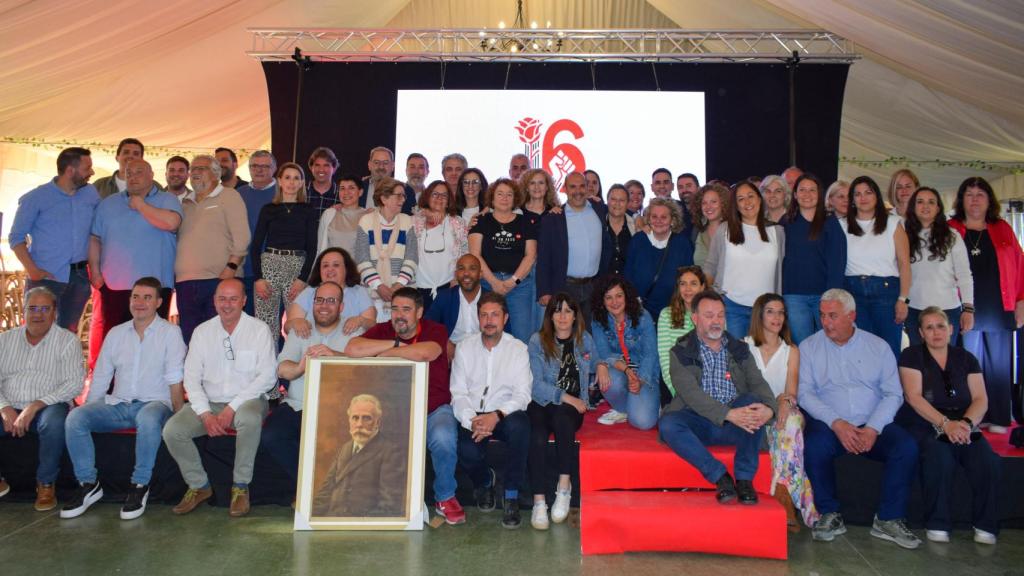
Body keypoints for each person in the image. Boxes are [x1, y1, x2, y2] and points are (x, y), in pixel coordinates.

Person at [799, 289, 921, 549]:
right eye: (822, 315)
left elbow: (893, 394)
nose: (826, 322)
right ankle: (829, 513)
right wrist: (837, 423)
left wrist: (874, 428)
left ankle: (888, 519)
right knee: (814, 445)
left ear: (851, 316)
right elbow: (805, 394)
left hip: (872, 423)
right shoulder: (809, 347)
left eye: (833, 316)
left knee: (906, 446)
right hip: (832, 424)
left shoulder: (878, 347)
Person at [60, 277, 186, 520]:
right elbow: (101, 376)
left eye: (147, 297)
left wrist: (178, 415)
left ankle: (140, 485)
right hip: (118, 404)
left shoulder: (170, 333)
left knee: (148, 418)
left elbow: (175, 378)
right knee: (76, 418)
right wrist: (89, 408)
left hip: (155, 404)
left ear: (159, 302)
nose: (140, 302)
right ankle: (88, 484)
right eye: (135, 297)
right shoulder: (116, 334)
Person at [345, 287, 464, 524]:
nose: (399, 315)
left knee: (443, 437)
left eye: (406, 310)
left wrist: (385, 353)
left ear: (419, 312)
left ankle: (445, 496)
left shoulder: (435, 329)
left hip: (433, 408)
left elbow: (428, 352)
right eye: (395, 309)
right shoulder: (383, 330)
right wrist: (397, 344)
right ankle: (386, 499)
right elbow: (352, 349)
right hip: (395, 409)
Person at [162, 279, 276, 517]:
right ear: (214, 301)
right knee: (173, 430)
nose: (227, 304)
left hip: (248, 401)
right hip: (210, 403)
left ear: (244, 301)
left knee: (249, 419)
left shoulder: (259, 330)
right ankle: (199, 485)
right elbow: (191, 378)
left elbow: (267, 377)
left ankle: (240, 486)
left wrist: (231, 408)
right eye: (222, 299)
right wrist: (205, 414)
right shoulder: (202, 332)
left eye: (233, 299)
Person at [658, 290, 776, 505]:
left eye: (720, 315)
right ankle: (720, 477)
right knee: (668, 424)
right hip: (700, 421)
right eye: (709, 315)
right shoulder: (680, 352)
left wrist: (770, 408)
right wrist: (727, 414)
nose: (716, 321)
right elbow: (691, 394)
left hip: (738, 424)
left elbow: (757, 381)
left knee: (753, 402)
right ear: (695, 318)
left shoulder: (739, 348)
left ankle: (744, 479)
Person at [896, 306, 1000, 544]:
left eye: (941, 326)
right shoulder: (911, 356)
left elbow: (980, 399)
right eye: (929, 327)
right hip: (925, 420)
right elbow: (913, 397)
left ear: (951, 329)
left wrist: (965, 424)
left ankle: (985, 524)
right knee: (939, 456)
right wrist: (945, 424)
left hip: (964, 422)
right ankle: (937, 523)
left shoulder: (967, 358)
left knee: (987, 461)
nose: (936, 332)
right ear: (921, 333)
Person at [263, 281, 355, 500]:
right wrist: (300, 367)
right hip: (299, 404)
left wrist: (335, 355)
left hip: (338, 408)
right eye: (319, 300)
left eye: (331, 301)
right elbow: (282, 369)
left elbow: (365, 366)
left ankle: (323, 490)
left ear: (341, 306)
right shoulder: (300, 330)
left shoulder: (353, 330)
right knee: (271, 435)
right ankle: (311, 487)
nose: (324, 306)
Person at [450, 292, 532, 529]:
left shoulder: (518, 349)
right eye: (484, 315)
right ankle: (485, 482)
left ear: (505, 318)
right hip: (473, 413)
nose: (489, 320)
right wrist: (472, 421)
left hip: (504, 413)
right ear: (478, 319)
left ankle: (511, 496)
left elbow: (523, 395)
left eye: (495, 315)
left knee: (521, 426)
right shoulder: (464, 348)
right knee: (465, 449)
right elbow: (458, 393)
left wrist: (496, 416)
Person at [949, 176, 1024, 434]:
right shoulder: (950, 228)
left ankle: (999, 417)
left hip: (999, 305)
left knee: (999, 365)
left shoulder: (1002, 228)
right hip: (965, 307)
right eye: (969, 195)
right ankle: (973, 417)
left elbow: (1019, 264)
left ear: (989, 200)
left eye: (980, 195)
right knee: (970, 363)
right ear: (961, 200)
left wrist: (1021, 301)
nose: (974, 200)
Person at [0, 287, 84, 511]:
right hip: (9, 403)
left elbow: (74, 384)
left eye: (45, 309)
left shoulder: (67, 341)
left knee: (54, 422)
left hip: (48, 405)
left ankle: (46, 483)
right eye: (33, 308)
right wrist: (4, 407)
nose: (38, 314)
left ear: (55, 312)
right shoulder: (5, 340)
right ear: (24, 311)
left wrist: (36, 405)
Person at [88, 159, 181, 349]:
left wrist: (140, 205)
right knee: (115, 342)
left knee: (152, 342)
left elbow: (171, 223)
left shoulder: (167, 199)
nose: (132, 176)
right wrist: (95, 273)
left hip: (156, 286)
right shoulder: (108, 204)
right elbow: (94, 239)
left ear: (152, 175)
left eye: (139, 172)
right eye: (128, 173)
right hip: (114, 286)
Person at [744, 294, 818, 530]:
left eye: (781, 312)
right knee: (785, 431)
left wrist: (781, 405)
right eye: (770, 312)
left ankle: (783, 493)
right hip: (753, 410)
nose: (777, 317)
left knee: (791, 421)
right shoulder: (744, 346)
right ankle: (788, 499)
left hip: (782, 411)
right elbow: (741, 390)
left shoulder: (791, 350)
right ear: (759, 315)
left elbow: (790, 392)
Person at [9, 146, 99, 332]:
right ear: (70, 170)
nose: (92, 172)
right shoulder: (36, 197)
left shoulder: (90, 194)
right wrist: (33, 271)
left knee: (68, 333)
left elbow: (98, 230)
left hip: (79, 277)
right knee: (38, 331)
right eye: (87, 168)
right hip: (46, 277)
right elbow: (16, 238)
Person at [526, 293, 596, 530]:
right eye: (557, 310)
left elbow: (599, 359)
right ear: (550, 315)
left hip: (569, 410)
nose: (563, 316)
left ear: (575, 315)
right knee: (537, 436)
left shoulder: (584, 339)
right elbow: (536, 385)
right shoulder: (537, 341)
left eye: (568, 310)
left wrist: (603, 365)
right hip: (542, 402)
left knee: (563, 418)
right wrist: (567, 398)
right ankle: (539, 502)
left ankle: (564, 487)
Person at [174, 155, 250, 344]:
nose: (195, 173)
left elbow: (242, 236)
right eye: (193, 169)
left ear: (216, 174)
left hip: (219, 279)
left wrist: (231, 268)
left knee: (219, 338)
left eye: (201, 168)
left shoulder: (229, 196)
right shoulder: (184, 203)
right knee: (191, 339)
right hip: (185, 283)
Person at [839, 176, 911, 358]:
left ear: (877, 196)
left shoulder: (893, 223)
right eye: (857, 194)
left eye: (868, 192)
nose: (863, 198)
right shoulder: (841, 225)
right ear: (852, 200)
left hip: (886, 293)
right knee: (859, 351)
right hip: (853, 293)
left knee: (889, 350)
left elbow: (904, 264)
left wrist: (903, 299)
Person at [704, 180, 785, 338]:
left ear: (759, 199)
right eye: (740, 199)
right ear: (736, 205)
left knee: (764, 353)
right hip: (732, 307)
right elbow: (711, 265)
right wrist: (708, 297)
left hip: (766, 310)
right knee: (736, 353)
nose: (747, 202)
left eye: (750, 196)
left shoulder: (778, 232)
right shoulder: (724, 229)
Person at [250, 162, 317, 348]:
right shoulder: (269, 209)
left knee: (299, 322)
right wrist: (258, 278)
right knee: (266, 323)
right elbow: (255, 246)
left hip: (297, 267)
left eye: (296, 178)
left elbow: (312, 248)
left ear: (302, 182)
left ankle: (297, 363)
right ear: (279, 181)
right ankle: (267, 364)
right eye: (287, 178)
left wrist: (302, 278)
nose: (291, 182)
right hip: (269, 265)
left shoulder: (308, 210)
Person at [312, 393, 406, 517]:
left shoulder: (391, 452)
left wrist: (356, 524)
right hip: (332, 518)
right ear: (349, 420)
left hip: (361, 522)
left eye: (366, 418)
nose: (359, 424)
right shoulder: (345, 448)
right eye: (355, 418)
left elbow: (389, 507)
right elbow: (325, 492)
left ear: (377, 422)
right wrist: (310, 517)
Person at [780, 173, 847, 344]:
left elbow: (838, 261)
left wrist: (832, 295)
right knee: (804, 345)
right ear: (795, 195)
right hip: (793, 295)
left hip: (823, 295)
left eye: (812, 190)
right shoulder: (786, 222)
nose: (807, 194)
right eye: (802, 190)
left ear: (819, 194)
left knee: (828, 344)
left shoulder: (830, 222)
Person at [903, 187, 974, 346]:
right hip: (914, 310)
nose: (925, 206)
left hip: (947, 309)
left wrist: (968, 309)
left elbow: (964, 275)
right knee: (919, 358)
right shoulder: (903, 235)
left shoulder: (952, 236)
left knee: (945, 358)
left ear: (938, 207)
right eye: (920, 202)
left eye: (931, 202)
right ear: (913, 206)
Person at [536, 172, 609, 326]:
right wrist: (544, 291)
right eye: (573, 187)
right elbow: (544, 257)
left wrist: (639, 219)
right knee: (565, 332)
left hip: (593, 287)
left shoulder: (599, 209)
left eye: (582, 186)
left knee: (590, 332)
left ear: (587, 188)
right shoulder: (553, 218)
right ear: (565, 189)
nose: (578, 191)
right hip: (565, 286)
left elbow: (621, 213)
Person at [470, 178, 537, 343]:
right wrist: (494, 282)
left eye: (509, 194)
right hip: (487, 284)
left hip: (520, 286)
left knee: (522, 337)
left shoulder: (526, 222)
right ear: (492, 198)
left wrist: (513, 281)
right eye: (500, 194)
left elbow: (531, 256)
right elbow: (475, 254)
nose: (504, 198)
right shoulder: (480, 221)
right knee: (488, 334)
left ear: (515, 199)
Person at [590, 276, 659, 429]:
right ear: (602, 301)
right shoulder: (598, 319)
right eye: (608, 297)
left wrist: (640, 380)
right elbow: (604, 353)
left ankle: (640, 404)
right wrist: (624, 369)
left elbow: (650, 354)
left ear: (626, 296)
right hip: (620, 370)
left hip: (643, 374)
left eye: (619, 296)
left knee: (643, 422)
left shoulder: (643, 316)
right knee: (605, 373)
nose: (614, 302)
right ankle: (625, 409)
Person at [355, 177, 418, 320]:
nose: (403, 200)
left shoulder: (407, 221)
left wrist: (399, 285)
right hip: (371, 293)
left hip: (402, 292)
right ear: (384, 198)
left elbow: (412, 257)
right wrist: (379, 286)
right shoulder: (366, 221)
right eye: (399, 195)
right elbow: (361, 259)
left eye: (404, 196)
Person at [625, 197, 695, 320]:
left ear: (672, 220)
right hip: (641, 311)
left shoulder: (683, 243)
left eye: (664, 217)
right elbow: (628, 275)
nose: (658, 221)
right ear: (648, 219)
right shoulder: (638, 240)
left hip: (673, 312)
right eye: (654, 216)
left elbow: (688, 278)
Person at [285, 248, 376, 339]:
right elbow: (287, 326)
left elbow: (372, 325)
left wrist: (361, 321)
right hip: (311, 345)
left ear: (346, 269)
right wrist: (296, 322)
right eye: (325, 266)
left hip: (349, 345)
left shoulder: (359, 292)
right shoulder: (308, 292)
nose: (330, 269)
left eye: (336, 265)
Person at [412, 180, 469, 310]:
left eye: (444, 195)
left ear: (449, 201)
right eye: (435, 194)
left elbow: (465, 252)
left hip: (450, 286)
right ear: (427, 197)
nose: (439, 198)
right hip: (419, 288)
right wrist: (425, 212)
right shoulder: (414, 221)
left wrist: (458, 277)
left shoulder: (458, 223)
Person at [236, 150, 278, 315]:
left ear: (274, 168)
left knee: (267, 321)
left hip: (273, 269)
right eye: (254, 166)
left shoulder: (284, 192)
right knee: (245, 319)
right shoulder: (239, 194)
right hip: (244, 268)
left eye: (265, 166)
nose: (259, 170)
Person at [426, 254, 489, 358]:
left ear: (480, 274)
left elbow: (502, 332)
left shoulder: (491, 299)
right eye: (461, 268)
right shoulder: (445, 296)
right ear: (456, 274)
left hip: (484, 353)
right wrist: (444, 342)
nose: (466, 273)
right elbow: (428, 325)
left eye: (472, 268)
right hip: (453, 354)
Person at [657, 266, 707, 398]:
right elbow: (666, 360)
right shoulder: (666, 315)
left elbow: (721, 356)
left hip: (708, 383)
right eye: (683, 284)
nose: (687, 289)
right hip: (677, 385)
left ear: (702, 287)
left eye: (693, 283)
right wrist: (677, 392)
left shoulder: (714, 314)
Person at [317, 174, 372, 257]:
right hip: (333, 264)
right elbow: (321, 247)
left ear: (360, 192)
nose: (346, 192)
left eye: (351, 188)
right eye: (342, 188)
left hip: (358, 265)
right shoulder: (329, 214)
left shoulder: (368, 216)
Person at [358, 146, 416, 214]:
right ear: (369, 165)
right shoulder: (357, 187)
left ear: (393, 166)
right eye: (376, 162)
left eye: (385, 163)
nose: (381, 167)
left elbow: (410, 217)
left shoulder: (407, 191)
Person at [691, 183, 729, 269]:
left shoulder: (735, 229)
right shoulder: (697, 231)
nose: (708, 207)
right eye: (704, 203)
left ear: (723, 203)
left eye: (713, 202)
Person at [602, 184, 636, 276]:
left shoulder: (636, 228)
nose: (617, 203)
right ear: (607, 201)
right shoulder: (598, 225)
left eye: (622, 200)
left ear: (627, 203)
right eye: (613, 199)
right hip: (601, 283)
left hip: (628, 283)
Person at [306, 146, 341, 221]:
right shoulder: (301, 192)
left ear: (334, 168)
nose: (321, 169)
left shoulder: (343, 195)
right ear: (311, 168)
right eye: (317, 165)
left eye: (326, 165)